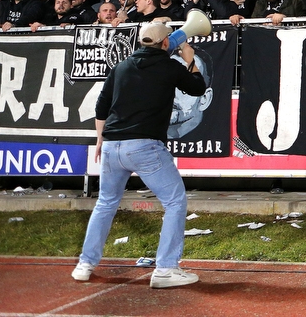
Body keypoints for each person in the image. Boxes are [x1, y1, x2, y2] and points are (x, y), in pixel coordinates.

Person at [72, 22, 206, 288]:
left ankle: (84, 264)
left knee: (106, 204)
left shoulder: (121, 66)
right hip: (145, 146)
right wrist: (190, 61)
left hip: (112, 145)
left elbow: (101, 106)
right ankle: (166, 269)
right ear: (166, 43)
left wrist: (101, 140)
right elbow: (197, 88)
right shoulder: (170, 66)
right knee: (175, 202)